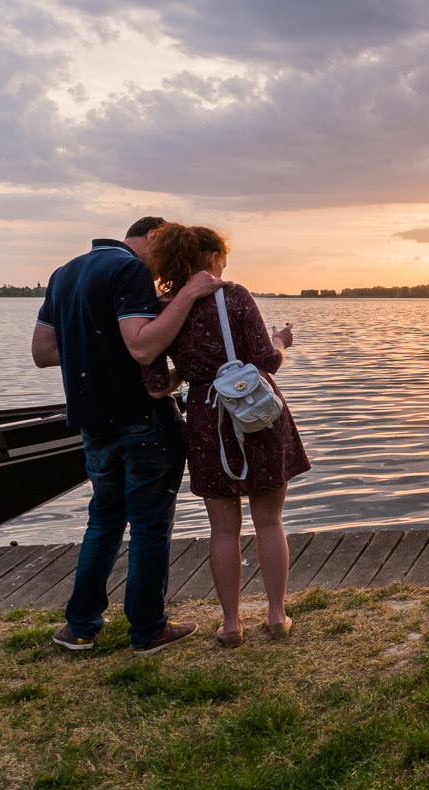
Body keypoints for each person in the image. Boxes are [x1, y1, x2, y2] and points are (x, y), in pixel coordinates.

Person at [32, 217, 221, 655]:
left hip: (91, 420)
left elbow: (43, 352)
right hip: (142, 419)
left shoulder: (65, 272)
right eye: (168, 247)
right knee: (151, 526)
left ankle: (79, 627)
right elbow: (143, 347)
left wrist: (94, 348)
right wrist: (189, 294)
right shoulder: (130, 269)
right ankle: (149, 630)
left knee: (104, 520)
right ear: (153, 236)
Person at [142, 224, 310, 647]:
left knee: (222, 529)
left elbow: (156, 383)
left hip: (204, 418)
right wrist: (280, 340)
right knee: (269, 520)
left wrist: (195, 374)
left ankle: (231, 623)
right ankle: (276, 616)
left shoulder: (162, 307)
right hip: (256, 412)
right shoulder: (234, 295)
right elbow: (267, 361)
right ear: (213, 258)